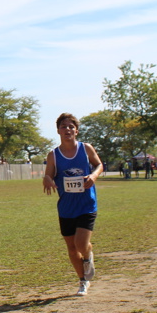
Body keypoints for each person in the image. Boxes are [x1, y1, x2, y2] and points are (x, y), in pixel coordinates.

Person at [43, 113, 104, 296]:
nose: (67, 129)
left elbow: (99, 165)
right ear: (58, 131)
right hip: (66, 207)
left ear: (76, 131)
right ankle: (83, 281)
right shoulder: (53, 155)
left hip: (86, 204)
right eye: (64, 126)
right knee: (71, 248)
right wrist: (47, 179)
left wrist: (93, 175)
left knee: (81, 243)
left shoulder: (86, 148)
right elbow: (48, 175)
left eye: (71, 127)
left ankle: (88, 254)